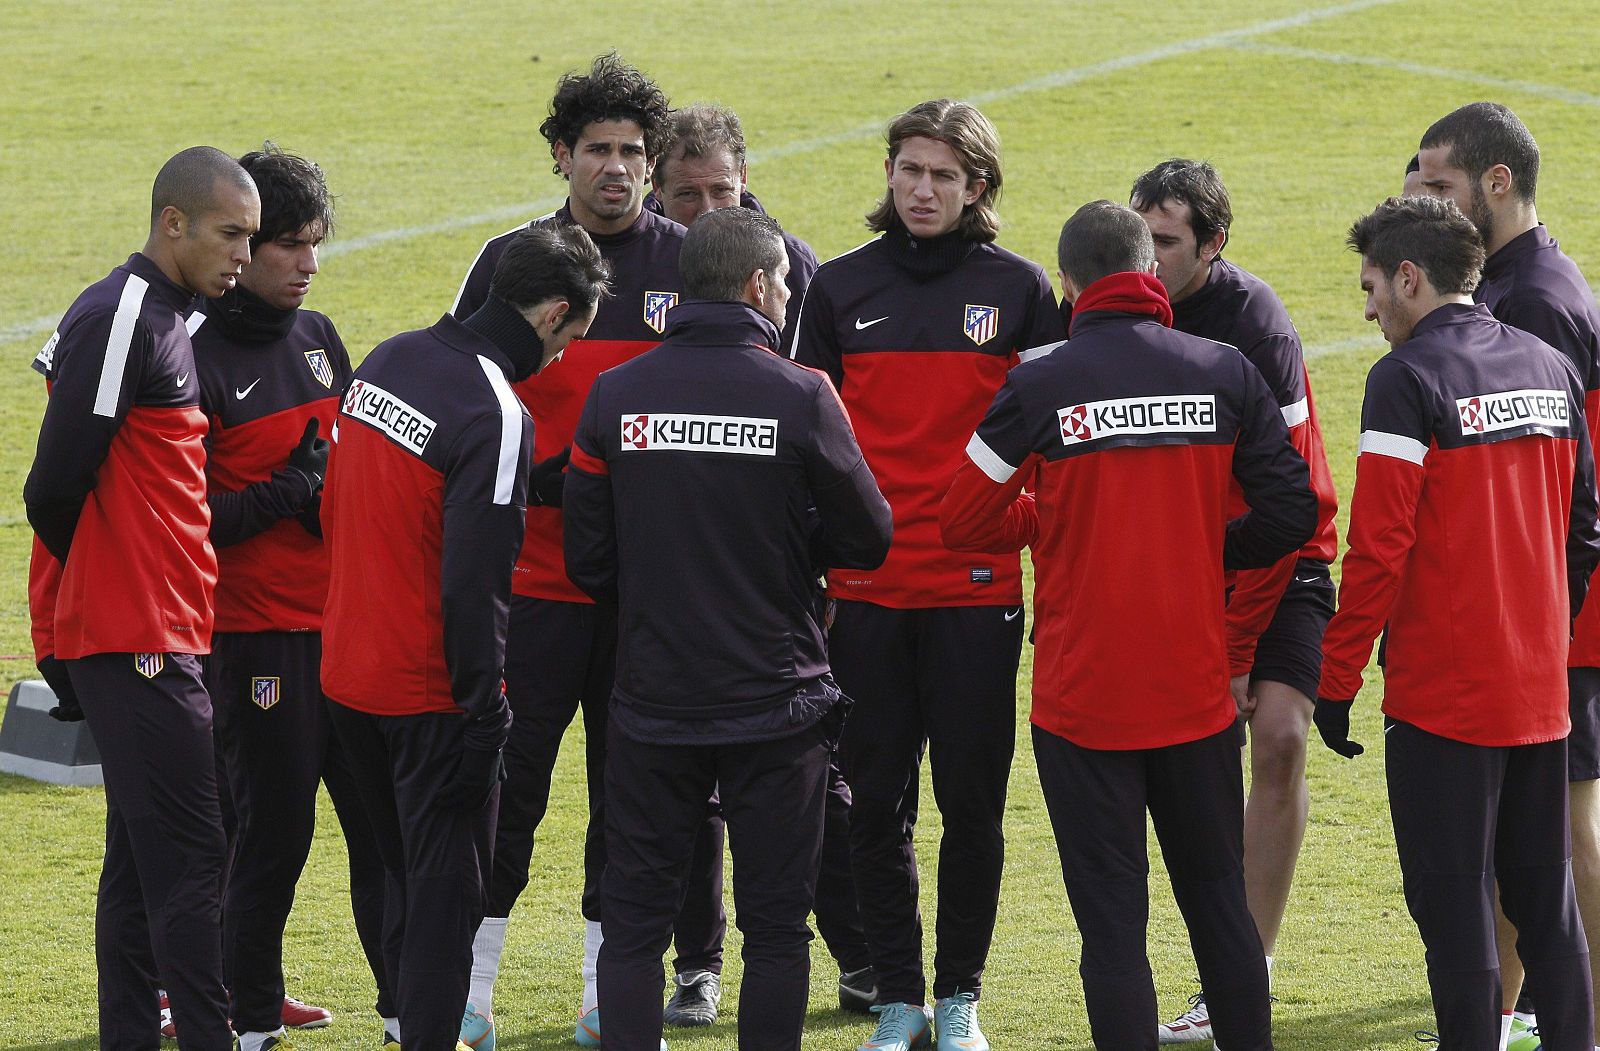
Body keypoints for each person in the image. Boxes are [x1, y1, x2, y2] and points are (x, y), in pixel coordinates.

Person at [942, 199, 1312, 1051]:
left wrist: (1044, 520)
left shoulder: (1040, 384)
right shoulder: (1223, 369)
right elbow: (1293, 509)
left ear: (1068, 284)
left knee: (1112, 925)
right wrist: (1205, 547)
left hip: (1083, 702)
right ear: (1150, 272)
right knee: (1219, 905)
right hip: (1195, 695)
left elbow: (961, 518)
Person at [564, 204, 893, 1051]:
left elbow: (586, 558)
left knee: (636, 926)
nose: (787, 294)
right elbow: (869, 535)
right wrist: (797, 541)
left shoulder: (615, 393)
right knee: (777, 928)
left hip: (652, 699)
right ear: (756, 285)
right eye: (782, 281)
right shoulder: (801, 393)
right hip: (776, 702)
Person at [790, 98, 1065, 1051]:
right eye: (909, 169)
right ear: (889, 174)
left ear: (978, 187)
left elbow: (1053, 448)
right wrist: (822, 570)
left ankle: (960, 998)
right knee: (874, 805)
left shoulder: (1022, 290)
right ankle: (899, 997)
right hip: (865, 598)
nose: (922, 188)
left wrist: (1014, 539)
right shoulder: (837, 288)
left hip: (975, 596)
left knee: (972, 807)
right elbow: (805, 444)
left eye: (944, 174)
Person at [1316, 194, 1600, 1051]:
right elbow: (1586, 529)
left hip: (1443, 703)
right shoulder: (1550, 367)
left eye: (1371, 287)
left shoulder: (1404, 379)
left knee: (1456, 908)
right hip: (1539, 696)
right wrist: (1545, 633)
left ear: (1409, 277)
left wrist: (1336, 678)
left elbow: (1378, 548)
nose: (1369, 310)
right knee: (1547, 907)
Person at [449, 53, 692, 1046]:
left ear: (653, 160)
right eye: (597, 149)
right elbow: (461, 399)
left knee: (634, 803)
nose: (616, 167)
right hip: (533, 587)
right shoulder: (510, 262)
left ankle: (610, 996)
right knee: (505, 794)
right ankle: (468, 994)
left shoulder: (693, 263)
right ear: (561, 154)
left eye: (633, 151)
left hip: (651, 598)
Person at [322, 222, 611, 1051]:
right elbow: (475, 585)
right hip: (431, 698)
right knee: (445, 912)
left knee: (400, 882)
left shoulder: (389, 358)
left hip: (347, 677)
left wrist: (534, 486)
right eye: (571, 339)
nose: (562, 357)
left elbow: (359, 504)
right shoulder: (497, 409)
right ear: (553, 314)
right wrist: (486, 717)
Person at [643, 100, 875, 1024]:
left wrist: (814, 566)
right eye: (685, 194)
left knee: (813, 782)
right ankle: (697, 965)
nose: (704, 210)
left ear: (747, 180)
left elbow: (827, 431)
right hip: (671, 587)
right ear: (659, 191)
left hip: (780, 590)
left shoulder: (795, 269)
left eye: (720, 191)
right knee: (687, 785)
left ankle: (859, 951)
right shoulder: (638, 264)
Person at [23, 145, 259, 1051]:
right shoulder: (121, 314)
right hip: (138, 638)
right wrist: (100, 600)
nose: (243, 254)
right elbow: (52, 488)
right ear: (174, 222)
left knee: (139, 866)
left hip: (158, 631)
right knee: (195, 857)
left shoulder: (164, 316)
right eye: (230, 234)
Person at [187, 143, 393, 1049]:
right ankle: (251, 1015)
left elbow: (345, 467)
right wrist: (287, 492)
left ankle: (406, 1011)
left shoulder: (319, 338)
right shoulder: (191, 356)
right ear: (243, 245)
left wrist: (326, 496)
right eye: (289, 245)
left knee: (383, 833)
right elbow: (186, 522)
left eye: (317, 243)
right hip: (256, 638)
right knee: (272, 837)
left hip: (347, 630)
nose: (309, 263)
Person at [1129, 160, 1339, 1045]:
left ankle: (1244, 969)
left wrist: (1240, 650)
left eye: (1166, 241)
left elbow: (1289, 503)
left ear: (1214, 244)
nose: (1146, 256)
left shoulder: (1257, 324)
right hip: (1176, 570)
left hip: (1278, 556)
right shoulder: (1113, 304)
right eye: (1139, 234)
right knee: (1188, 770)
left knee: (1280, 736)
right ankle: (1219, 964)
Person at [1417, 101, 1600, 1050]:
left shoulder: (1527, 303)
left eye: (1440, 186)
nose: (1427, 204)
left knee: (1563, 834)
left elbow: (1549, 481)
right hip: (1553, 607)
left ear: (1497, 183)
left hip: (1552, 614)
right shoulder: (1531, 278)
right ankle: (1503, 1014)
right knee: (1535, 840)